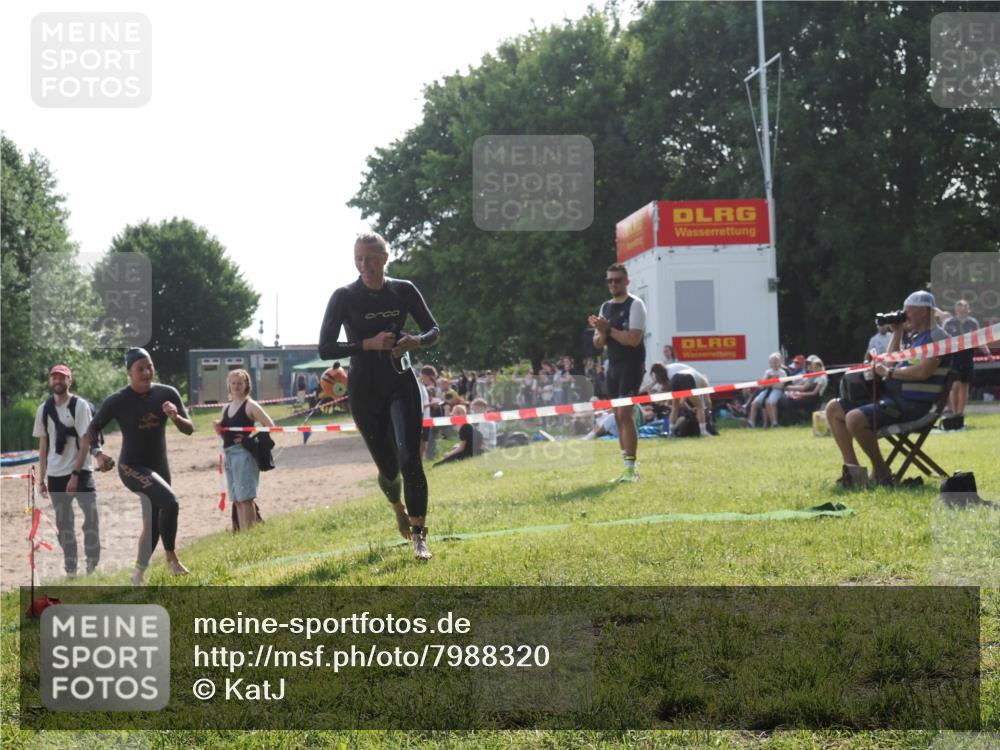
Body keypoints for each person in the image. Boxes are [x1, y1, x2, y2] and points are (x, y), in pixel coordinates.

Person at [318, 232, 440, 560]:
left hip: (401, 382)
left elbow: (434, 330)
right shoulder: (344, 296)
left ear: (385, 258)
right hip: (365, 389)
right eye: (359, 258)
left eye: (371, 258)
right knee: (388, 469)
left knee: (410, 458)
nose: (364, 265)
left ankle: (419, 535)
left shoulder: (403, 290)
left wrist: (416, 340)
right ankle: (397, 505)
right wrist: (365, 345)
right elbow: (325, 348)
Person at [75, 348, 194, 585]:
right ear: (129, 372)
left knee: (154, 522)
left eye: (149, 366)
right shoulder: (117, 400)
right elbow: (92, 429)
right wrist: (98, 454)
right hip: (131, 467)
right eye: (140, 368)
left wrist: (175, 417)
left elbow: (189, 428)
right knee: (170, 502)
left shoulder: (166, 393)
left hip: (159, 466)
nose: (146, 372)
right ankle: (172, 560)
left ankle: (138, 575)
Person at [825, 290, 952, 487]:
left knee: (854, 418)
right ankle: (853, 473)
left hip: (914, 404)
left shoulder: (937, 337)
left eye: (908, 310)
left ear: (925, 311)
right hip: (893, 397)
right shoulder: (915, 337)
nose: (904, 313)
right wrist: (898, 333)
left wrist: (889, 374)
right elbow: (891, 362)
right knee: (833, 408)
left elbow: (923, 373)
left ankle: (881, 471)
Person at [33, 365, 108, 578]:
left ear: (70, 381)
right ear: (50, 381)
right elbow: (43, 446)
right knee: (64, 526)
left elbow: (86, 441)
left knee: (91, 519)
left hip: (81, 473)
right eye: (54, 377)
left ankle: (92, 567)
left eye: (62, 377)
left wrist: (75, 475)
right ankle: (71, 570)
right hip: (56, 476)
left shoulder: (80, 406)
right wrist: (42, 479)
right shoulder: (44, 409)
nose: (58, 380)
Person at [588, 262, 647, 483]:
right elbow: (597, 343)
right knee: (616, 416)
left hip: (632, 365)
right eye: (609, 280)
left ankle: (632, 468)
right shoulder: (606, 307)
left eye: (617, 280)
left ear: (626, 282)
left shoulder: (636, 305)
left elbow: (633, 339)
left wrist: (608, 329)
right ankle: (626, 467)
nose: (613, 284)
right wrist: (602, 332)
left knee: (624, 415)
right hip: (612, 366)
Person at [214, 369, 276, 532]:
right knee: (237, 499)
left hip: (244, 455)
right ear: (229, 385)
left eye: (239, 383)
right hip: (229, 455)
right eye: (233, 383)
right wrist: (218, 428)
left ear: (246, 385)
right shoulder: (226, 407)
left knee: (246, 497)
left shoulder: (251, 405)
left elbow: (270, 426)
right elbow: (224, 433)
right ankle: (243, 534)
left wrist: (251, 440)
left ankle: (250, 535)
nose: (236, 386)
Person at [942, 299, 987, 430]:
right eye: (960, 308)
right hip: (953, 358)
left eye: (965, 308)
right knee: (954, 386)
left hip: (967, 358)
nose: (963, 310)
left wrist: (988, 353)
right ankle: (952, 413)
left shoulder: (973, 323)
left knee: (964, 387)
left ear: (968, 309)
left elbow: (979, 339)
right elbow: (942, 340)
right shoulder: (949, 323)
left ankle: (960, 415)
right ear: (956, 310)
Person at [666, 362, 715, 437]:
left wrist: (690, 408)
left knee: (675, 407)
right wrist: (708, 411)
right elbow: (708, 402)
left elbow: (682, 402)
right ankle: (703, 432)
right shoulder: (705, 383)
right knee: (700, 407)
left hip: (675, 378)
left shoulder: (697, 376)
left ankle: (671, 433)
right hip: (687, 378)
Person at [781, 355, 829, 420]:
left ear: (819, 367)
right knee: (787, 399)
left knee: (790, 402)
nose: (809, 366)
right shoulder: (813, 375)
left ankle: (799, 420)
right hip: (808, 395)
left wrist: (794, 391)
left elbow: (810, 391)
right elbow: (803, 385)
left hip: (813, 398)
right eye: (808, 364)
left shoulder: (821, 377)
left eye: (811, 364)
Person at [748, 352, 786, 428]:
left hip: (777, 391)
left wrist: (769, 383)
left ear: (780, 362)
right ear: (769, 363)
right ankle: (751, 423)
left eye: (776, 362)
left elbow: (781, 386)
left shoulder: (782, 372)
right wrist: (773, 383)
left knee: (771, 402)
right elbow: (763, 384)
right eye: (772, 362)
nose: (774, 364)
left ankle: (774, 423)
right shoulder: (767, 372)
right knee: (754, 403)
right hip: (767, 390)